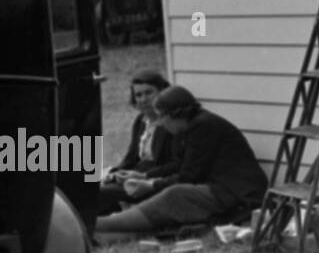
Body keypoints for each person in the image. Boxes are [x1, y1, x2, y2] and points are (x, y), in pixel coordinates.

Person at [95, 86, 268, 237]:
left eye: (162, 117)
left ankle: (103, 224)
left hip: (237, 193)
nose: (161, 123)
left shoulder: (204, 126)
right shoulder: (186, 127)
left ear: (177, 114)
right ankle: (107, 225)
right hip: (218, 186)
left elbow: (189, 176)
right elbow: (179, 164)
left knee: (176, 194)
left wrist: (151, 185)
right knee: (172, 194)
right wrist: (144, 175)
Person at [98, 70, 173, 216]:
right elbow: (131, 157)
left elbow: (173, 164)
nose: (143, 99)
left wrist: (141, 176)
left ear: (162, 92)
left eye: (148, 93)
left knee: (101, 193)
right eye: (138, 95)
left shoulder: (169, 123)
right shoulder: (141, 120)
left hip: (154, 180)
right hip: (134, 175)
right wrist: (114, 173)